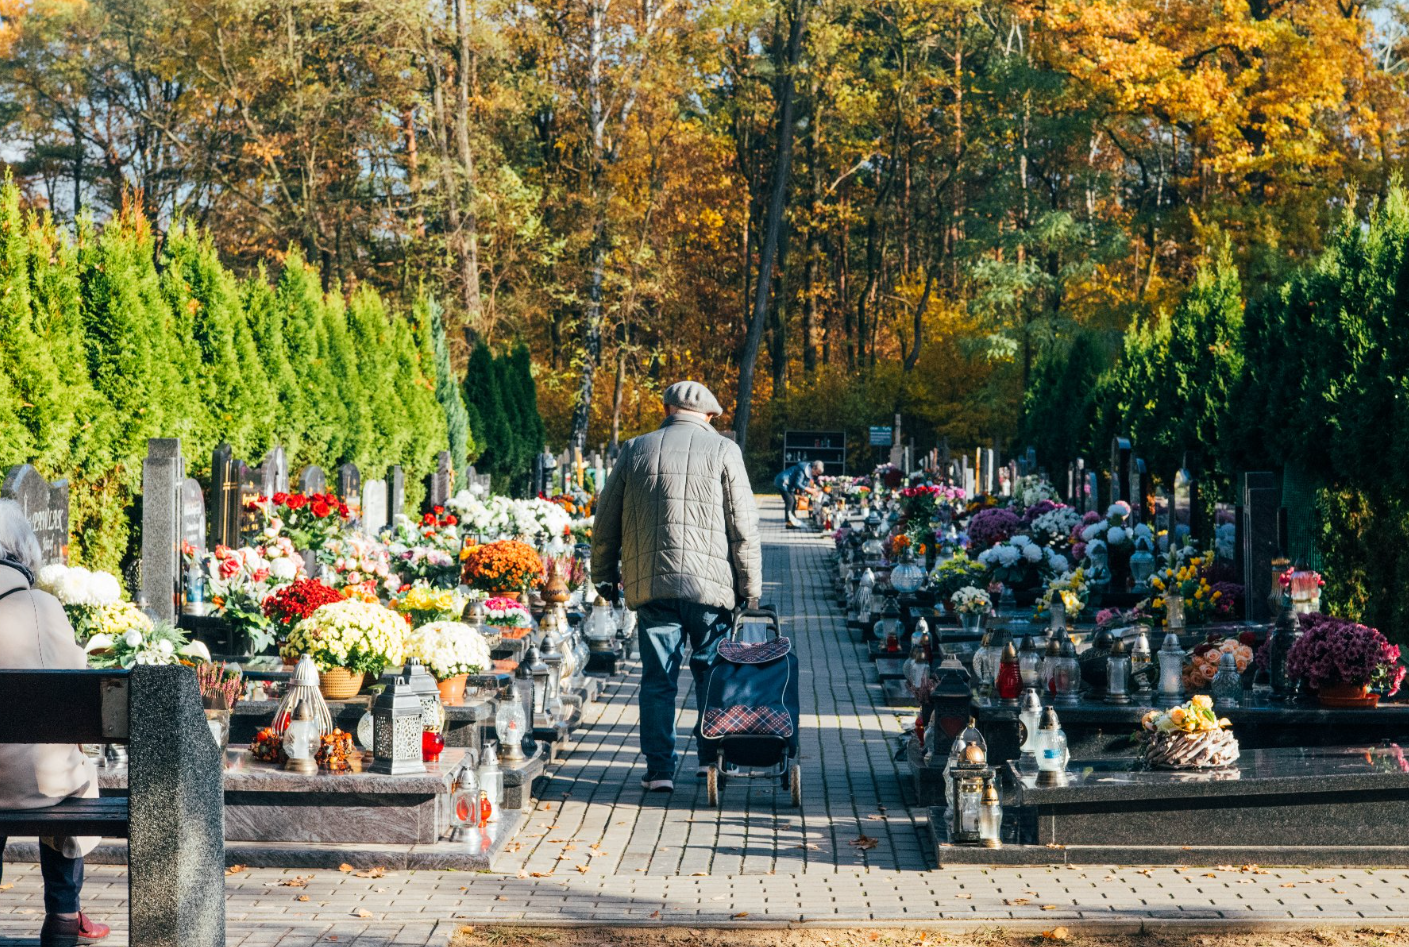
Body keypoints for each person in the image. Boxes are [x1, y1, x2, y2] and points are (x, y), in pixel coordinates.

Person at [592, 381, 762, 792]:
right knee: (710, 674)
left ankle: (659, 771)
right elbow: (743, 525)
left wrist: (603, 574)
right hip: (710, 588)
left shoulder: (635, 449)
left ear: (666, 408)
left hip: (652, 584)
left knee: (657, 680)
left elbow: (606, 520)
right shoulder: (724, 450)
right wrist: (750, 587)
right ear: (708, 415)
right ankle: (711, 762)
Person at [0, 499, 110, 946]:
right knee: (65, 772)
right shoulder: (45, 607)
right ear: (24, 552)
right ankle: (64, 913)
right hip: (50, 786)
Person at [774, 459, 824, 529]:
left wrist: (813, 490)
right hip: (783, 482)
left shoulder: (808, 471)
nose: (817, 475)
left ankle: (793, 521)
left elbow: (805, 484)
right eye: (817, 473)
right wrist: (809, 490)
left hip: (788, 484)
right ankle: (789, 523)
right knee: (790, 502)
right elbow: (797, 484)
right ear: (813, 468)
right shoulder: (802, 471)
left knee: (793, 502)